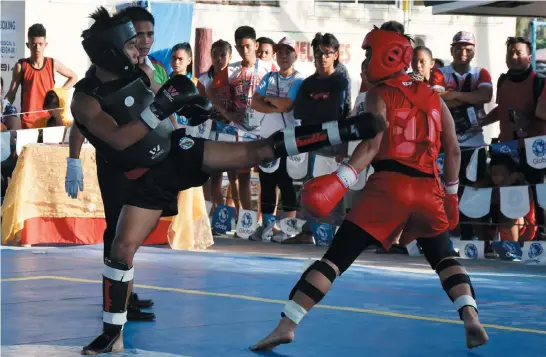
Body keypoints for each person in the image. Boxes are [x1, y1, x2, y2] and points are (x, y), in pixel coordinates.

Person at [75, 7, 386, 355]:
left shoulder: (143, 73)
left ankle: (342, 129)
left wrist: (194, 108)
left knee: (256, 152)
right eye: (132, 44)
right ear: (111, 50)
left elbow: (170, 103)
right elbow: (119, 139)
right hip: (136, 175)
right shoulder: (85, 98)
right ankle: (111, 333)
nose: (139, 50)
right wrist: (160, 107)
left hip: (173, 151)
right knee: (121, 249)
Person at [251, 22, 489, 352]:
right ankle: (471, 318)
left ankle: (285, 326)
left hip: (389, 187)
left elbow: (372, 146)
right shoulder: (435, 99)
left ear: (386, 55)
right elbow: (453, 148)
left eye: (368, 53)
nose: (365, 60)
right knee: (444, 257)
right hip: (429, 189)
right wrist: (450, 193)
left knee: (334, 260)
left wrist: (340, 180)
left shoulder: (379, 94)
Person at [65, 5, 167, 322]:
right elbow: (89, 126)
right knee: (119, 233)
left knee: (131, 236)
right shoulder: (88, 91)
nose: (142, 44)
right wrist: (73, 159)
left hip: (151, 159)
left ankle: (127, 294)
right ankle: (117, 300)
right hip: (117, 165)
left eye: (147, 36)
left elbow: (162, 106)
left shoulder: (144, 70)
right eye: (135, 39)